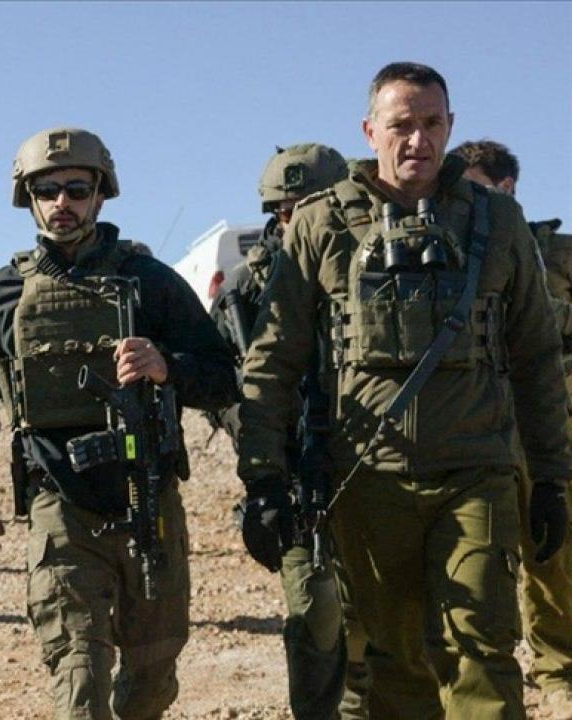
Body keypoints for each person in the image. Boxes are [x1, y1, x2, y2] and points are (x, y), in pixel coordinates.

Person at [237, 62, 570, 719]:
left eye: (432, 124)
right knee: (395, 664)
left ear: (451, 127)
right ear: (370, 131)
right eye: (401, 125)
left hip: (475, 473)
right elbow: (274, 360)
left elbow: (536, 358)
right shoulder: (321, 224)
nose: (418, 140)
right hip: (368, 480)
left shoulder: (498, 221)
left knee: (481, 652)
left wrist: (553, 478)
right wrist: (263, 478)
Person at [0, 127, 237, 719]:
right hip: (61, 507)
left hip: (149, 498)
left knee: (152, 680)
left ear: (100, 195)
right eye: (48, 190)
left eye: (77, 190)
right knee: (79, 679)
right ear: (28, 199)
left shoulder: (151, 282)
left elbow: (223, 377)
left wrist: (165, 366)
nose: (63, 203)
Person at [211, 143, 353, 720]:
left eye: (313, 207)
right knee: (316, 613)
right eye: (288, 210)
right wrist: (258, 436)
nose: (299, 221)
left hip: (372, 464)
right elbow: (218, 387)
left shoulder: (365, 266)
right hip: (296, 476)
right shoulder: (244, 291)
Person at [451, 139, 572, 717]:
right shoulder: (455, 252)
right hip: (477, 430)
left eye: (478, 189)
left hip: (548, 426)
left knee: (554, 557)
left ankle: (557, 669)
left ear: (508, 189)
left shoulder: (558, 253)